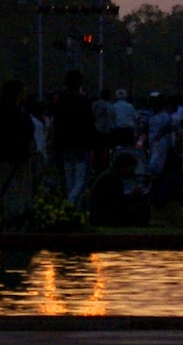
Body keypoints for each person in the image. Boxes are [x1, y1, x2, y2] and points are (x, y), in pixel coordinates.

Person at [0, 80, 36, 223]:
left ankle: (13, 217)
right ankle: (14, 219)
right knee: (14, 191)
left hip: (9, 156)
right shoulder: (14, 113)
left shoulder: (0, 111)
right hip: (14, 157)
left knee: (10, 189)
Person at [51, 70, 97, 206]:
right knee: (81, 181)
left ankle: (72, 212)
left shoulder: (61, 103)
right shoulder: (84, 102)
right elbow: (89, 125)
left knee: (70, 181)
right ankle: (70, 206)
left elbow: (57, 125)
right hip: (82, 145)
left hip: (65, 145)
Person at [87, 150, 148, 227]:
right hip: (103, 216)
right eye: (131, 168)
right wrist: (133, 196)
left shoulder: (112, 176)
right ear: (124, 167)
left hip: (103, 213)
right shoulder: (111, 178)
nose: (133, 171)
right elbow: (116, 203)